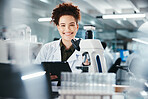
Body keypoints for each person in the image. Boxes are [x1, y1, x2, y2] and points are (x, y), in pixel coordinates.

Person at [35, 3, 82, 75]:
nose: (67, 29)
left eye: (71, 25)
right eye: (63, 25)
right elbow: (36, 73)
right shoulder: (47, 49)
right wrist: (45, 78)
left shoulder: (86, 49)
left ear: (77, 27)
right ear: (58, 27)